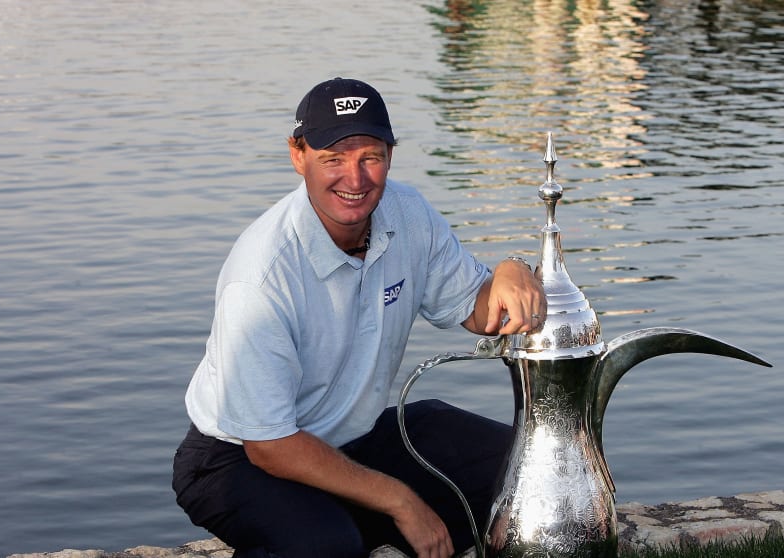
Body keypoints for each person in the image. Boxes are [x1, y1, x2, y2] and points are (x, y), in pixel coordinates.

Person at [172, 77, 546, 558]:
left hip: (353, 437)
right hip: (240, 456)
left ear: (391, 155)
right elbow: (269, 444)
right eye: (333, 159)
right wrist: (402, 501)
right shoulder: (262, 277)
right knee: (328, 546)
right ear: (297, 155)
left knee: (527, 464)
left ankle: (368, 525)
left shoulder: (407, 213)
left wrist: (512, 268)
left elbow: (479, 310)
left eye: (371, 157)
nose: (355, 179)